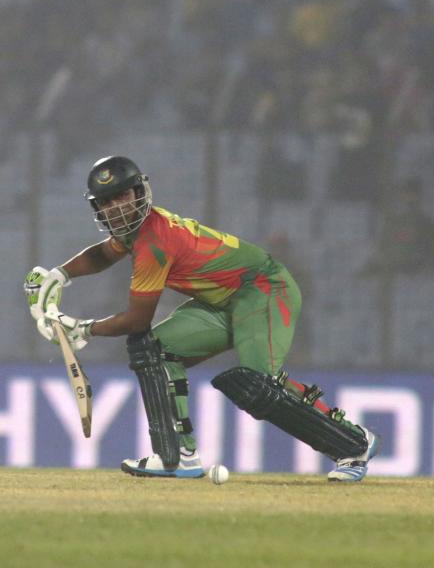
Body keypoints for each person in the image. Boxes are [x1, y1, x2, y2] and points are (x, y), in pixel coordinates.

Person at [23, 156, 379, 481]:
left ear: (138, 192)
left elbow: (136, 320)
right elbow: (103, 255)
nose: (116, 207)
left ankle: (354, 443)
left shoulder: (154, 241)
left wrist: (84, 328)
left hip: (263, 290)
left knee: (261, 385)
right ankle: (178, 457)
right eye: (107, 202)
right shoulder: (136, 230)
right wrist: (60, 274)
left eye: (122, 196)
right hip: (223, 301)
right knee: (154, 351)